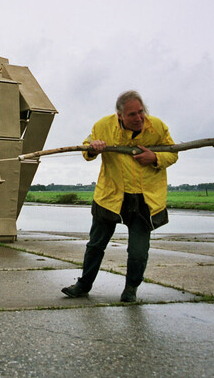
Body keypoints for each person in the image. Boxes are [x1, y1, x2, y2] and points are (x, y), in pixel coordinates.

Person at [62, 90, 178, 302]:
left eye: (141, 112)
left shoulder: (158, 127)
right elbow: (86, 150)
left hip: (145, 199)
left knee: (138, 252)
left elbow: (173, 152)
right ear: (119, 115)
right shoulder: (102, 126)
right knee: (95, 245)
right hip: (111, 195)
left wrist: (155, 157)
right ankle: (83, 285)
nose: (138, 118)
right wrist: (94, 149)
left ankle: (131, 288)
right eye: (132, 114)